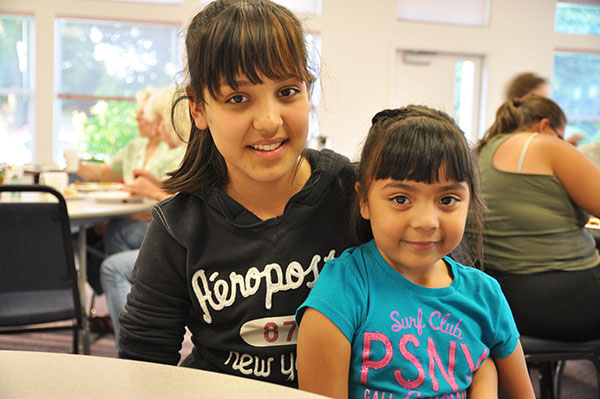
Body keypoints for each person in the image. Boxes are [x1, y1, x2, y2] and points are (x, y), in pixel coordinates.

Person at [116, 0, 359, 387]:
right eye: (238, 98)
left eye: (288, 91)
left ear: (308, 92)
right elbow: (144, 366)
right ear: (198, 108)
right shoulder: (179, 226)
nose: (269, 120)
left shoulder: (357, 196)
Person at [295, 106, 535, 399]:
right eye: (400, 198)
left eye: (447, 199)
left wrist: (486, 380)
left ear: (470, 201)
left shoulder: (485, 296)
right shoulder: (344, 289)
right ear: (365, 202)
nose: (426, 222)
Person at [475, 95, 600, 342]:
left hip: (501, 302)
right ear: (544, 126)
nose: (563, 143)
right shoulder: (544, 144)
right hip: (565, 301)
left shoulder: (478, 152)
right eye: (560, 136)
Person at [102, 85, 189, 255]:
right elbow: (186, 198)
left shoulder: (186, 152)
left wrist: (154, 191)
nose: (156, 130)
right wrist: (158, 184)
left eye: (158, 123)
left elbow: (191, 213)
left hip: (181, 237)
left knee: (112, 262)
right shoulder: (188, 149)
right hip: (175, 229)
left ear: (173, 120)